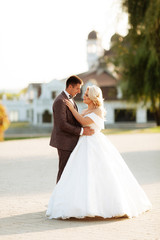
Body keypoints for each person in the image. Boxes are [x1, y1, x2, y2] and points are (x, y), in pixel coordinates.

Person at [46, 85, 152, 219]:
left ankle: (106, 205)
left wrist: (72, 109)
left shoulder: (98, 110)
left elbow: (84, 121)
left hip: (95, 143)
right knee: (79, 174)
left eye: (86, 95)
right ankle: (77, 204)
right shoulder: (85, 110)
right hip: (83, 143)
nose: (83, 96)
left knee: (102, 172)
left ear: (92, 97)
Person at [50, 75, 94, 183]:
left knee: (69, 170)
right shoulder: (60, 101)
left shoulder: (69, 100)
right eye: (77, 88)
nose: (79, 91)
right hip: (64, 142)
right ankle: (58, 197)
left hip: (70, 141)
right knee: (64, 170)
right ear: (70, 87)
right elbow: (62, 125)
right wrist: (83, 131)